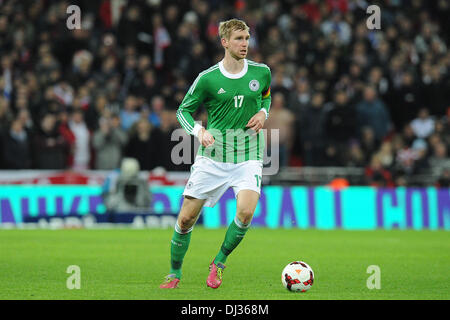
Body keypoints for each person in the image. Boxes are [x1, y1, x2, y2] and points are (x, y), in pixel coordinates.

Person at [160, 19, 271, 289]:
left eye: (247, 38)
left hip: (248, 153)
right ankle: (174, 273)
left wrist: (263, 112)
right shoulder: (208, 78)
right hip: (214, 155)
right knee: (186, 218)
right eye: (238, 39)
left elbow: (266, 96)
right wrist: (199, 132)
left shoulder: (262, 72)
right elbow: (182, 112)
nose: (245, 44)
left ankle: (219, 262)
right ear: (224, 42)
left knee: (245, 213)